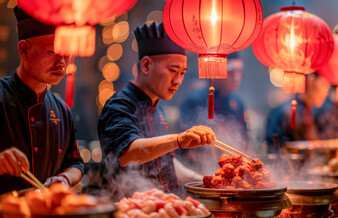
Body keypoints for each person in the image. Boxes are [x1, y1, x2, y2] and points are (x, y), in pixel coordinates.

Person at [98, 22, 216, 198]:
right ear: (146, 66)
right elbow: (127, 153)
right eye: (173, 70)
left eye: (182, 73)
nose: (178, 80)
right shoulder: (120, 105)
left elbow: (164, 159)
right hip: (132, 211)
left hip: (164, 209)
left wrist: (202, 181)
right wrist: (178, 139)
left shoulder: (158, 109)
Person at [0, 7, 84, 194]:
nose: (62, 62)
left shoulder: (61, 109)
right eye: (53, 51)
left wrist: (64, 179)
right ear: (24, 49)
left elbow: (75, 164)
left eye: (66, 54)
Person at [177, 52, 248, 174]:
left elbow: (246, 141)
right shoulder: (195, 100)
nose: (236, 77)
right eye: (231, 71)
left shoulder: (238, 103)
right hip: (198, 171)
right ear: (218, 70)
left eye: (240, 71)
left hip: (233, 172)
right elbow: (183, 146)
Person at [265, 73, 331, 150]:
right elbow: (276, 149)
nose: (326, 91)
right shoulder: (285, 112)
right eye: (324, 85)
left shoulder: (310, 111)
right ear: (311, 81)